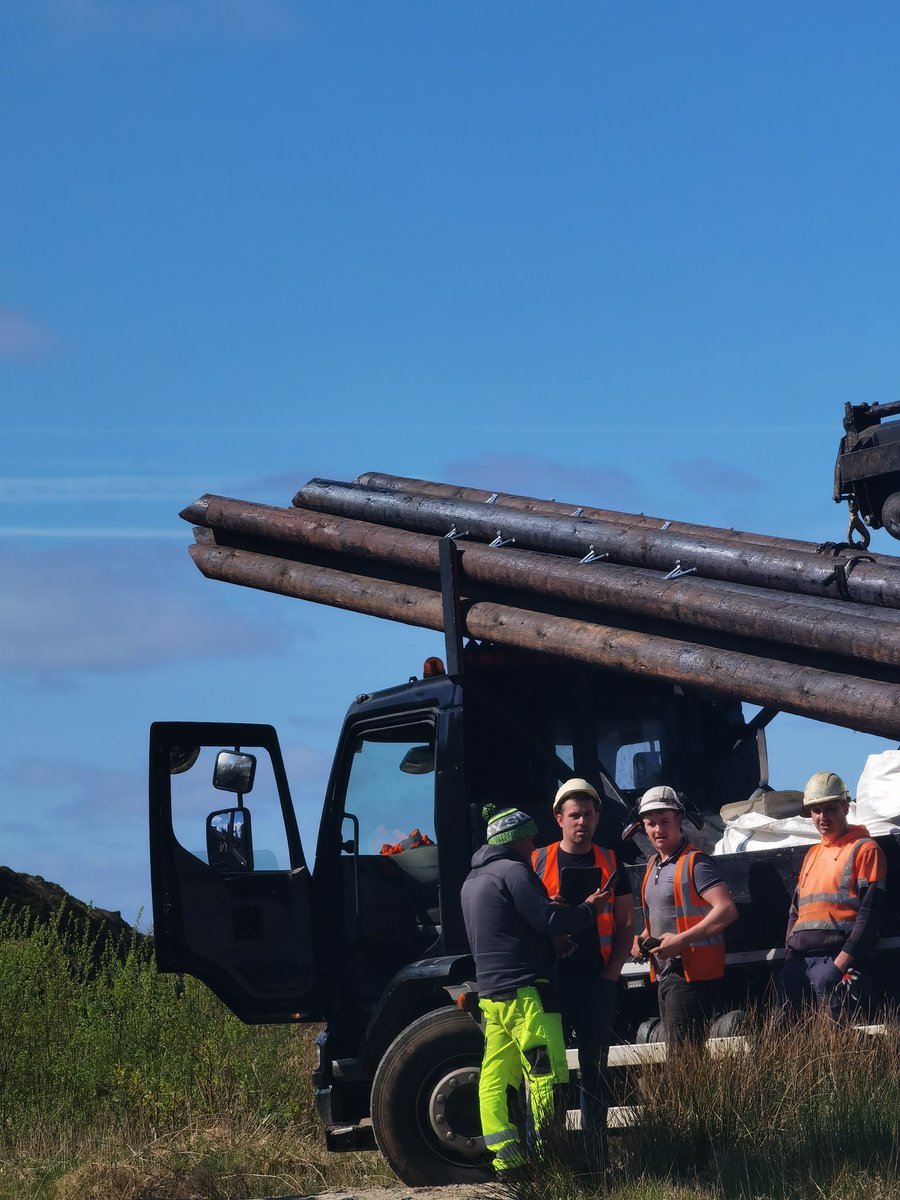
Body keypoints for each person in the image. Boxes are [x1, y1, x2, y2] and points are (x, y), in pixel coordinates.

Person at [460, 802, 613, 1173]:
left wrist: (546, 916)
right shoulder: (515, 871)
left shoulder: (473, 881)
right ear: (515, 840)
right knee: (545, 1074)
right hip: (527, 993)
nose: (533, 847)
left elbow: (509, 928)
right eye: (529, 839)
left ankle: (508, 1160)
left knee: (496, 1076)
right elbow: (547, 918)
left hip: (493, 997)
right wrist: (590, 909)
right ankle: (550, 1156)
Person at [532, 778, 633, 1145]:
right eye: (574, 815)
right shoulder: (537, 860)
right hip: (551, 983)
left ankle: (595, 1152)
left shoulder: (610, 859)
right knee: (550, 1072)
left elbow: (625, 922)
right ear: (559, 818)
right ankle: (554, 1151)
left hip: (596, 981)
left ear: (597, 816)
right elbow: (525, 921)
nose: (582, 822)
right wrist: (551, 928)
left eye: (588, 815)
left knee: (595, 1072)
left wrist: (612, 973)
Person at [631, 785, 737, 1047]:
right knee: (678, 1058)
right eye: (651, 823)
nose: (658, 830)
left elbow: (726, 910)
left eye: (664, 822)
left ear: (679, 821)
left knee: (684, 1059)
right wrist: (643, 938)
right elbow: (663, 915)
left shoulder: (696, 863)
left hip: (691, 976)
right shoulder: (653, 865)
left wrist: (681, 940)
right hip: (667, 974)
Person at [780, 771, 887, 1018]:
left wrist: (839, 966)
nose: (822, 816)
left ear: (845, 807)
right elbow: (794, 912)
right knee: (791, 1040)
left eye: (830, 809)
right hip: (799, 964)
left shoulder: (865, 849)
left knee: (837, 1040)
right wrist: (789, 959)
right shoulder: (812, 855)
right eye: (816, 810)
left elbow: (869, 915)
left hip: (834, 963)